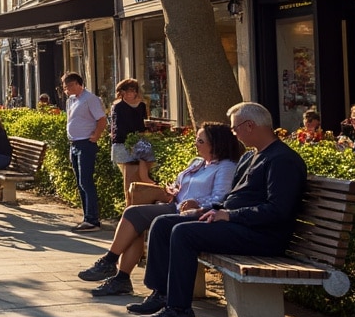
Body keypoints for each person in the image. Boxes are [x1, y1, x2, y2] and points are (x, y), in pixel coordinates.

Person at [132, 102, 307, 317]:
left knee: (184, 233)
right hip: (239, 226)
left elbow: (277, 210)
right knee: (163, 223)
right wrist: (209, 209)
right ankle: (162, 293)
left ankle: (179, 310)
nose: (233, 134)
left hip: (262, 236)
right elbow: (232, 198)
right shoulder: (249, 157)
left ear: (250, 126)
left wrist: (230, 216)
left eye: (235, 129)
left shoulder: (282, 160)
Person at [77, 122, 243, 296]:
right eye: (196, 139)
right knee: (135, 221)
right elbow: (180, 183)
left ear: (215, 144)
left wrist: (197, 203)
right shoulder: (199, 163)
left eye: (200, 141)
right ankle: (119, 277)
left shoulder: (226, 167)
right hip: (174, 205)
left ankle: (112, 265)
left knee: (133, 215)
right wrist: (172, 188)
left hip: (190, 214)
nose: (196, 144)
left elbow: (221, 198)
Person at [63, 72, 107, 232]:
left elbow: (101, 119)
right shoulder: (71, 101)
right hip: (74, 143)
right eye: (65, 87)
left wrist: (95, 137)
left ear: (77, 84)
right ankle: (87, 216)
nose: (66, 90)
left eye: (68, 86)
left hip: (85, 144)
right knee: (80, 182)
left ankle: (92, 219)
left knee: (86, 181)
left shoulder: (90, 99)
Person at [108, 78, 151, 206]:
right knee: (129, 176)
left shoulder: (142, 105)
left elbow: (143, 123)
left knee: (140, 176)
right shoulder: (118, 106)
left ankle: (137, 204)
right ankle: (129, 204)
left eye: (131, 91)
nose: (128, 94)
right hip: (123, 143)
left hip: (140, 143)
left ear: (136, 92)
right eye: (125, 91)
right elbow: (117, 127)